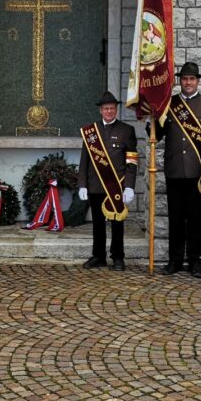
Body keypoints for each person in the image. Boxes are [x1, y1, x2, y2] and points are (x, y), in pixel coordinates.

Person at [155, 62, 201, 277]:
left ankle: (195, 261)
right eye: (184, 79)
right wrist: (150, 115)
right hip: (174, 170)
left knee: (195, 217)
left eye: (192, 79)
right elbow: (157, 133)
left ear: (198, 81)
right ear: (180, 81)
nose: (188, 82)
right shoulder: (168, 104)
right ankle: (175, 260)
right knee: (175, 218)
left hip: (197, 172)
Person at [77, 91, 138, 271]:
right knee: (98, 224)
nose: (109, 111)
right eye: (106, 109)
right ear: (100, 111)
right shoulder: (90, 131)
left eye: (112, 108)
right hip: (95, 185)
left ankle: (118, 257)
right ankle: (98, 256)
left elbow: (132, 161)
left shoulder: (127, 130)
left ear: (116, 110)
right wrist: (82, 184)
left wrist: (129, 186)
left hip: (117, 186)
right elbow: (84, 161)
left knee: (117, 224)